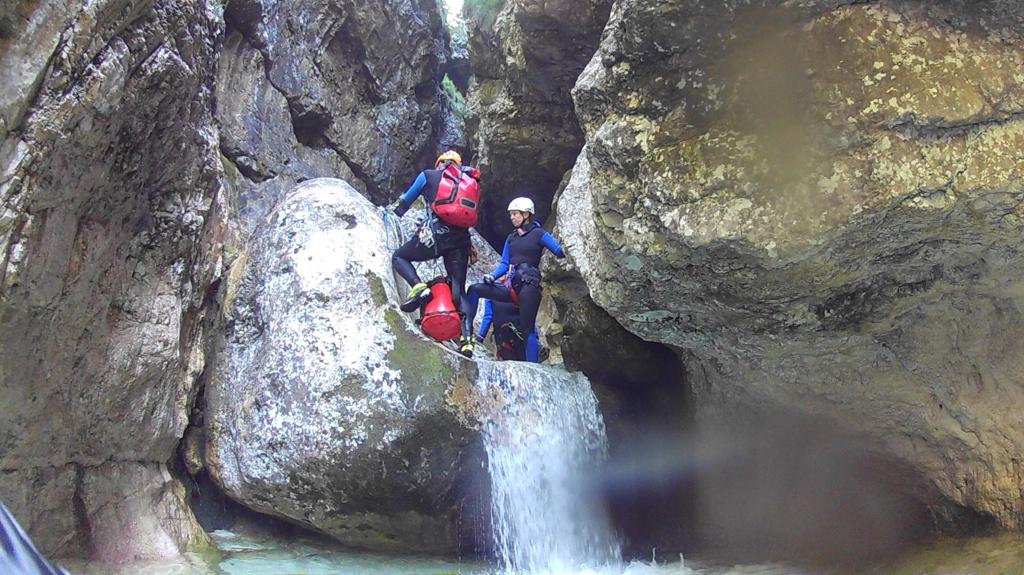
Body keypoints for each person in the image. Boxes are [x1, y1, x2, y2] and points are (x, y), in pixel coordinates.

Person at [460, 196, 564, 358]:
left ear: (526, 214)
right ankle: (467, 334)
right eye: (511, 214)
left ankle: (533, 368)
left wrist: (564, 249)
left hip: (530, 286)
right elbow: (504, 264)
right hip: (512, 286)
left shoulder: (539, 234)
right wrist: (492, 276)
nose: (512, 217)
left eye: (515, 214)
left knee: (527, 328)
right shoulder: (511, 238)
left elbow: (558, 250)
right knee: (475, 289)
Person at [390, 151, 473, 323]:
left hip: (434, 237)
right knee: (459, 288)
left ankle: (419, 288)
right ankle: (467, 339)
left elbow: (407, 200)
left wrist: (393, 214)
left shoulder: (428, 175)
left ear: (439, 164)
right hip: (461, 241)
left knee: (400, 256)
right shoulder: (468, 184)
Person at [477, 299, 541, 362]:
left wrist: (480, 337)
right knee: (528, 363)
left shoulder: (489, 292)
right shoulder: (519, 289)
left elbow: (488, 316)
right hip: (522, 331)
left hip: (503, 334)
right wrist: (535, 335)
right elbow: (529, 315)